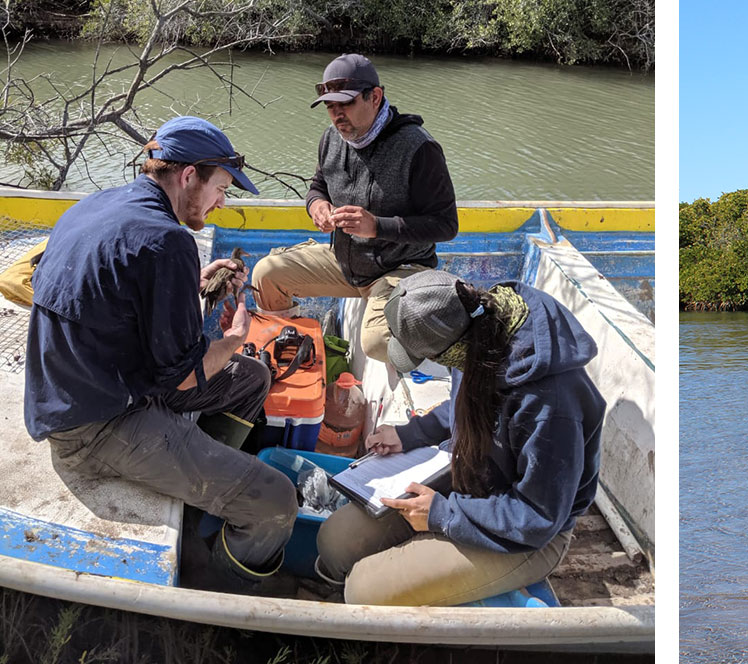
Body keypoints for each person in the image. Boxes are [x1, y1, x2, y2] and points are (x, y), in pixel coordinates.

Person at [24, 117, 297, 593]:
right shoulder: (168, 241)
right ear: (189, 175)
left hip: (81, 389)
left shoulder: (98, 204)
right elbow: (183, 380)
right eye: (221, 188)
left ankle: (203, 495)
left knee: (251, 377)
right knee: (276, 498)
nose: (222, 202)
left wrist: (188, 284)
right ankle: (223, 599)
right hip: (95, 427)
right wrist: (232, 338)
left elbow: (111, 299)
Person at [313, 269, 606, 606]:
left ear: (450, 351)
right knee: (335, 542)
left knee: (363, 591)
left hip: (529, 532)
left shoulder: (549, 403)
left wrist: (441, 515)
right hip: (469, 480)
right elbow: (460, 408)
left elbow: (537, 518)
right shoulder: (475, 334)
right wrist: (410, 435)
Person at [251, 53, 459, 364]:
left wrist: (377, 226)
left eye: (345, 104)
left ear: (375, 97)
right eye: (330, 107)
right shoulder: (332, 139)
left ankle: (454, 342)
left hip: (400, 269)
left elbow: (446, 225)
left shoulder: (419, 148)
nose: (336, 115)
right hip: (346, 263)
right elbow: (317, 186)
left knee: (375, 343)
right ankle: (288, 354)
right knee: (266, 274)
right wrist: (317, 205)